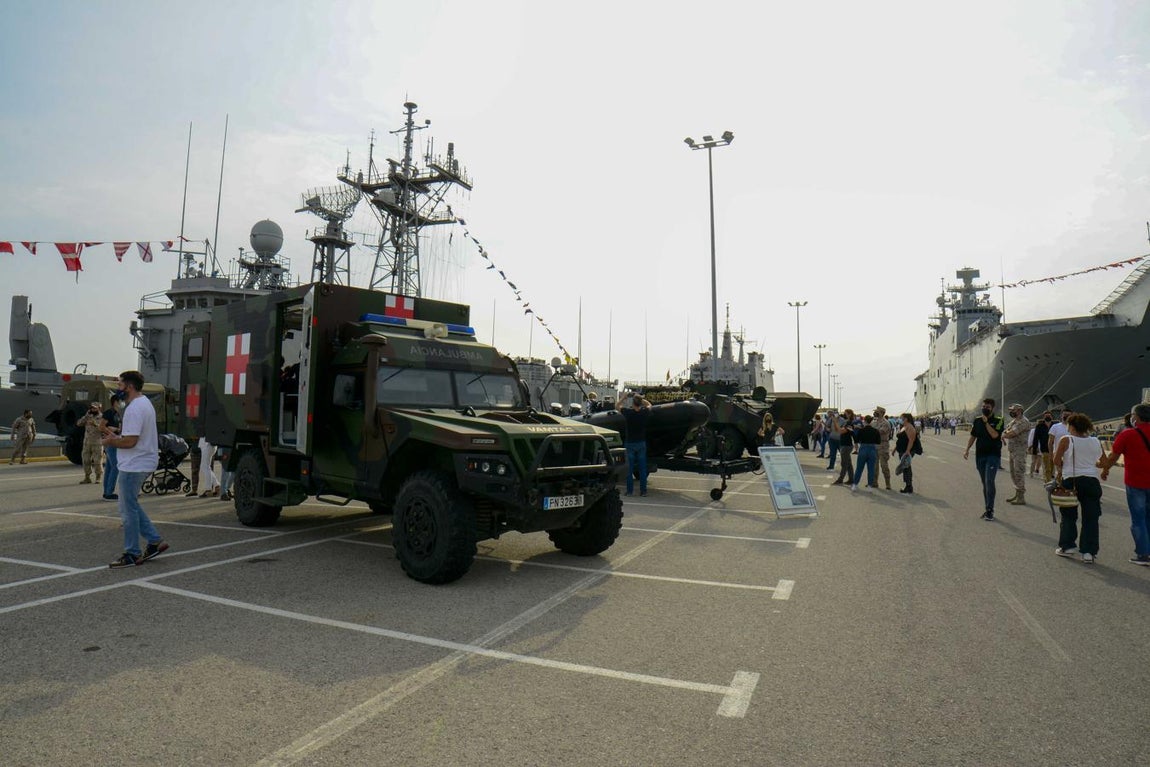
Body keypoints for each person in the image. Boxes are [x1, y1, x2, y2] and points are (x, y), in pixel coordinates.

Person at [101, 370, 168, 568]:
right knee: (131, 504)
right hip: (141, 461)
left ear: (129, 386)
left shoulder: (134, 409)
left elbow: (130, 441)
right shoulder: (144, 403)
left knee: (127, 509)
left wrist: (111, 442)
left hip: (134, 464)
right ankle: (155, 541)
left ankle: (132, 552)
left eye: (120, 384)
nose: (118, 388)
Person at [1100, 403, 1150, 566]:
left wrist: (1105, 470)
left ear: (1137, 417)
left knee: (1138, 519)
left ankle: (1143, 554)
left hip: (1136, 482)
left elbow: (1113, 457)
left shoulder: (1128, 434)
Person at [1052, 413, 1104, 563]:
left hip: (1071, 481)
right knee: (1091, 518)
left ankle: (1067, 547)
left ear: (1072, 426)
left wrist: (1064, 467)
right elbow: (1103, 462)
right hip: (1091, 482)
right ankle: (1088, 552)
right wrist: (1091, 465)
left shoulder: (1066, 439)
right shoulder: (1095, 441)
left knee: (1069, 515)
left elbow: (1056, 460)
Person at [963, 397, 1005, 520]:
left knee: (989, 481)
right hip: (980, 455)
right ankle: (987, 509)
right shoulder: (977, 421)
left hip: (993, 455)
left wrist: (986, 422)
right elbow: (973, 436)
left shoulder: (999, 420)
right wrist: (967, 449)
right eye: (983, 407)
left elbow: (995, 435)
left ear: (992, 408)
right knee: (984, 483)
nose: (984, 409)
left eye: (987, 407)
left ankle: (990, 510)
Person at [1001, 403, 1033, 505]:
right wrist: (1004, 434)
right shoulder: (1014, 421)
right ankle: (1017, 493)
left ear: (1019, 411)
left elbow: (1012, 433)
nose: (1011, 412)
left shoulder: (1023, 422)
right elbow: (1007, 430)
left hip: (1020, 451)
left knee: (1019, 472)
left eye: (1013, 410)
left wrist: (1002, 435)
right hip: (1012, 450)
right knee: (1013, 473)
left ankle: (1021, 497)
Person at [620, 394, 651, 497]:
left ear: (632, 403)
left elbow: (616, 406)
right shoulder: (644, 413)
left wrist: (623, 398)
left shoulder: (628, 413)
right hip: (641, 443)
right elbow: (649, 405)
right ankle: (643, 491)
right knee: (642, 469)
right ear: (640, 403)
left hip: (630, 443)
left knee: (629, 469)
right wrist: (641, 399)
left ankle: (629, 491)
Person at [101, 393, 124, 500]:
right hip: (111, 442)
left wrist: (117, 430)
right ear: (115, 402)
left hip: (115, 441)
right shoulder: (109, 413)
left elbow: (117, 427)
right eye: (120, 401)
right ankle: (109, 492)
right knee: (116, 467)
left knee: (110, 468)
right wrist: (111, 432)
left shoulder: (117, 414)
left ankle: (106, 491)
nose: (122, 403)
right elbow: (101, 426)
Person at [76, 403, 106, 484]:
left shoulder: (102, 417)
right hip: (87, 442)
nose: (93, 410)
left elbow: (103, 429)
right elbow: (78, 423)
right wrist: (85, 417)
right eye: (92, 408)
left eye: (95, 408)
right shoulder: (88, 416)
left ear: (99, 408)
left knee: (97, 461)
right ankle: (87, 477)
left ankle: (98, 477)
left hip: (97, 442)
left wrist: (95, 424)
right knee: (85, 460)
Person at [850, 415, 881, 491]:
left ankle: (855, 485)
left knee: (859, 468)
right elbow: (878, 441)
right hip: (872, 449)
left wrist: (853, 431)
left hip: (863, 448)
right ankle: (870, 486)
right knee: (871, 469)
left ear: (865, 421)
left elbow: (856, 440)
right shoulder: (876, 430)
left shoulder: (861, 430)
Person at [893, 413, 919, 493]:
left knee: (906, 468)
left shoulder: (910, 427)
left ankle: (909, 486)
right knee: (905, 468)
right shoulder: (904, 427)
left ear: (906, 419)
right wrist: (895, 449)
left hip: (907, 451)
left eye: (901, 418)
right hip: (902, 450)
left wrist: (907, 451)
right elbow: (900, 440)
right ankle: (908, 485)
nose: (899, 419)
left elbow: (911, 440)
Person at [831, 412, 855, 486]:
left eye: (846, 413)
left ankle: (840, 479)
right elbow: (837, 430)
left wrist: (835, 421)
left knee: (844, 463)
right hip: (845, 445)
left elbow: (841, 431)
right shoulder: (846, 422)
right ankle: (851, 479)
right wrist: (835, 422)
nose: (844, 414)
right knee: (848, 464)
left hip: (846, 445)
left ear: (849, 414)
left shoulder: (849, 423)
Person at [873, 406, 894, 490]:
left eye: (876, 412)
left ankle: (888, 483)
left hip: (883, 446)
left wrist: (871, 430)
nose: (875, 413)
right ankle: (874, 482)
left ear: (881, 413)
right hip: (875, 445)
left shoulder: (885, 422)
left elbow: (880, 432)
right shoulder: (874, 421)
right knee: (874, 466)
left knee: (884, 466)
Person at [1033, 412, 1052, 481]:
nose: (1048, 417)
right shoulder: (1039, 426)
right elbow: (1036, 438)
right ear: (1043, 417)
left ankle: (1051, 478)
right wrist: (1034, 449)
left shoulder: (1055, 425)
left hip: (1054, 449)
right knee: (1047, 467)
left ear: (1051, 417)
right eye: (1046, 416)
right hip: (1044, 449)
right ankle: (1047, 480)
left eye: (1049, 416)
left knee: (1052, 467)